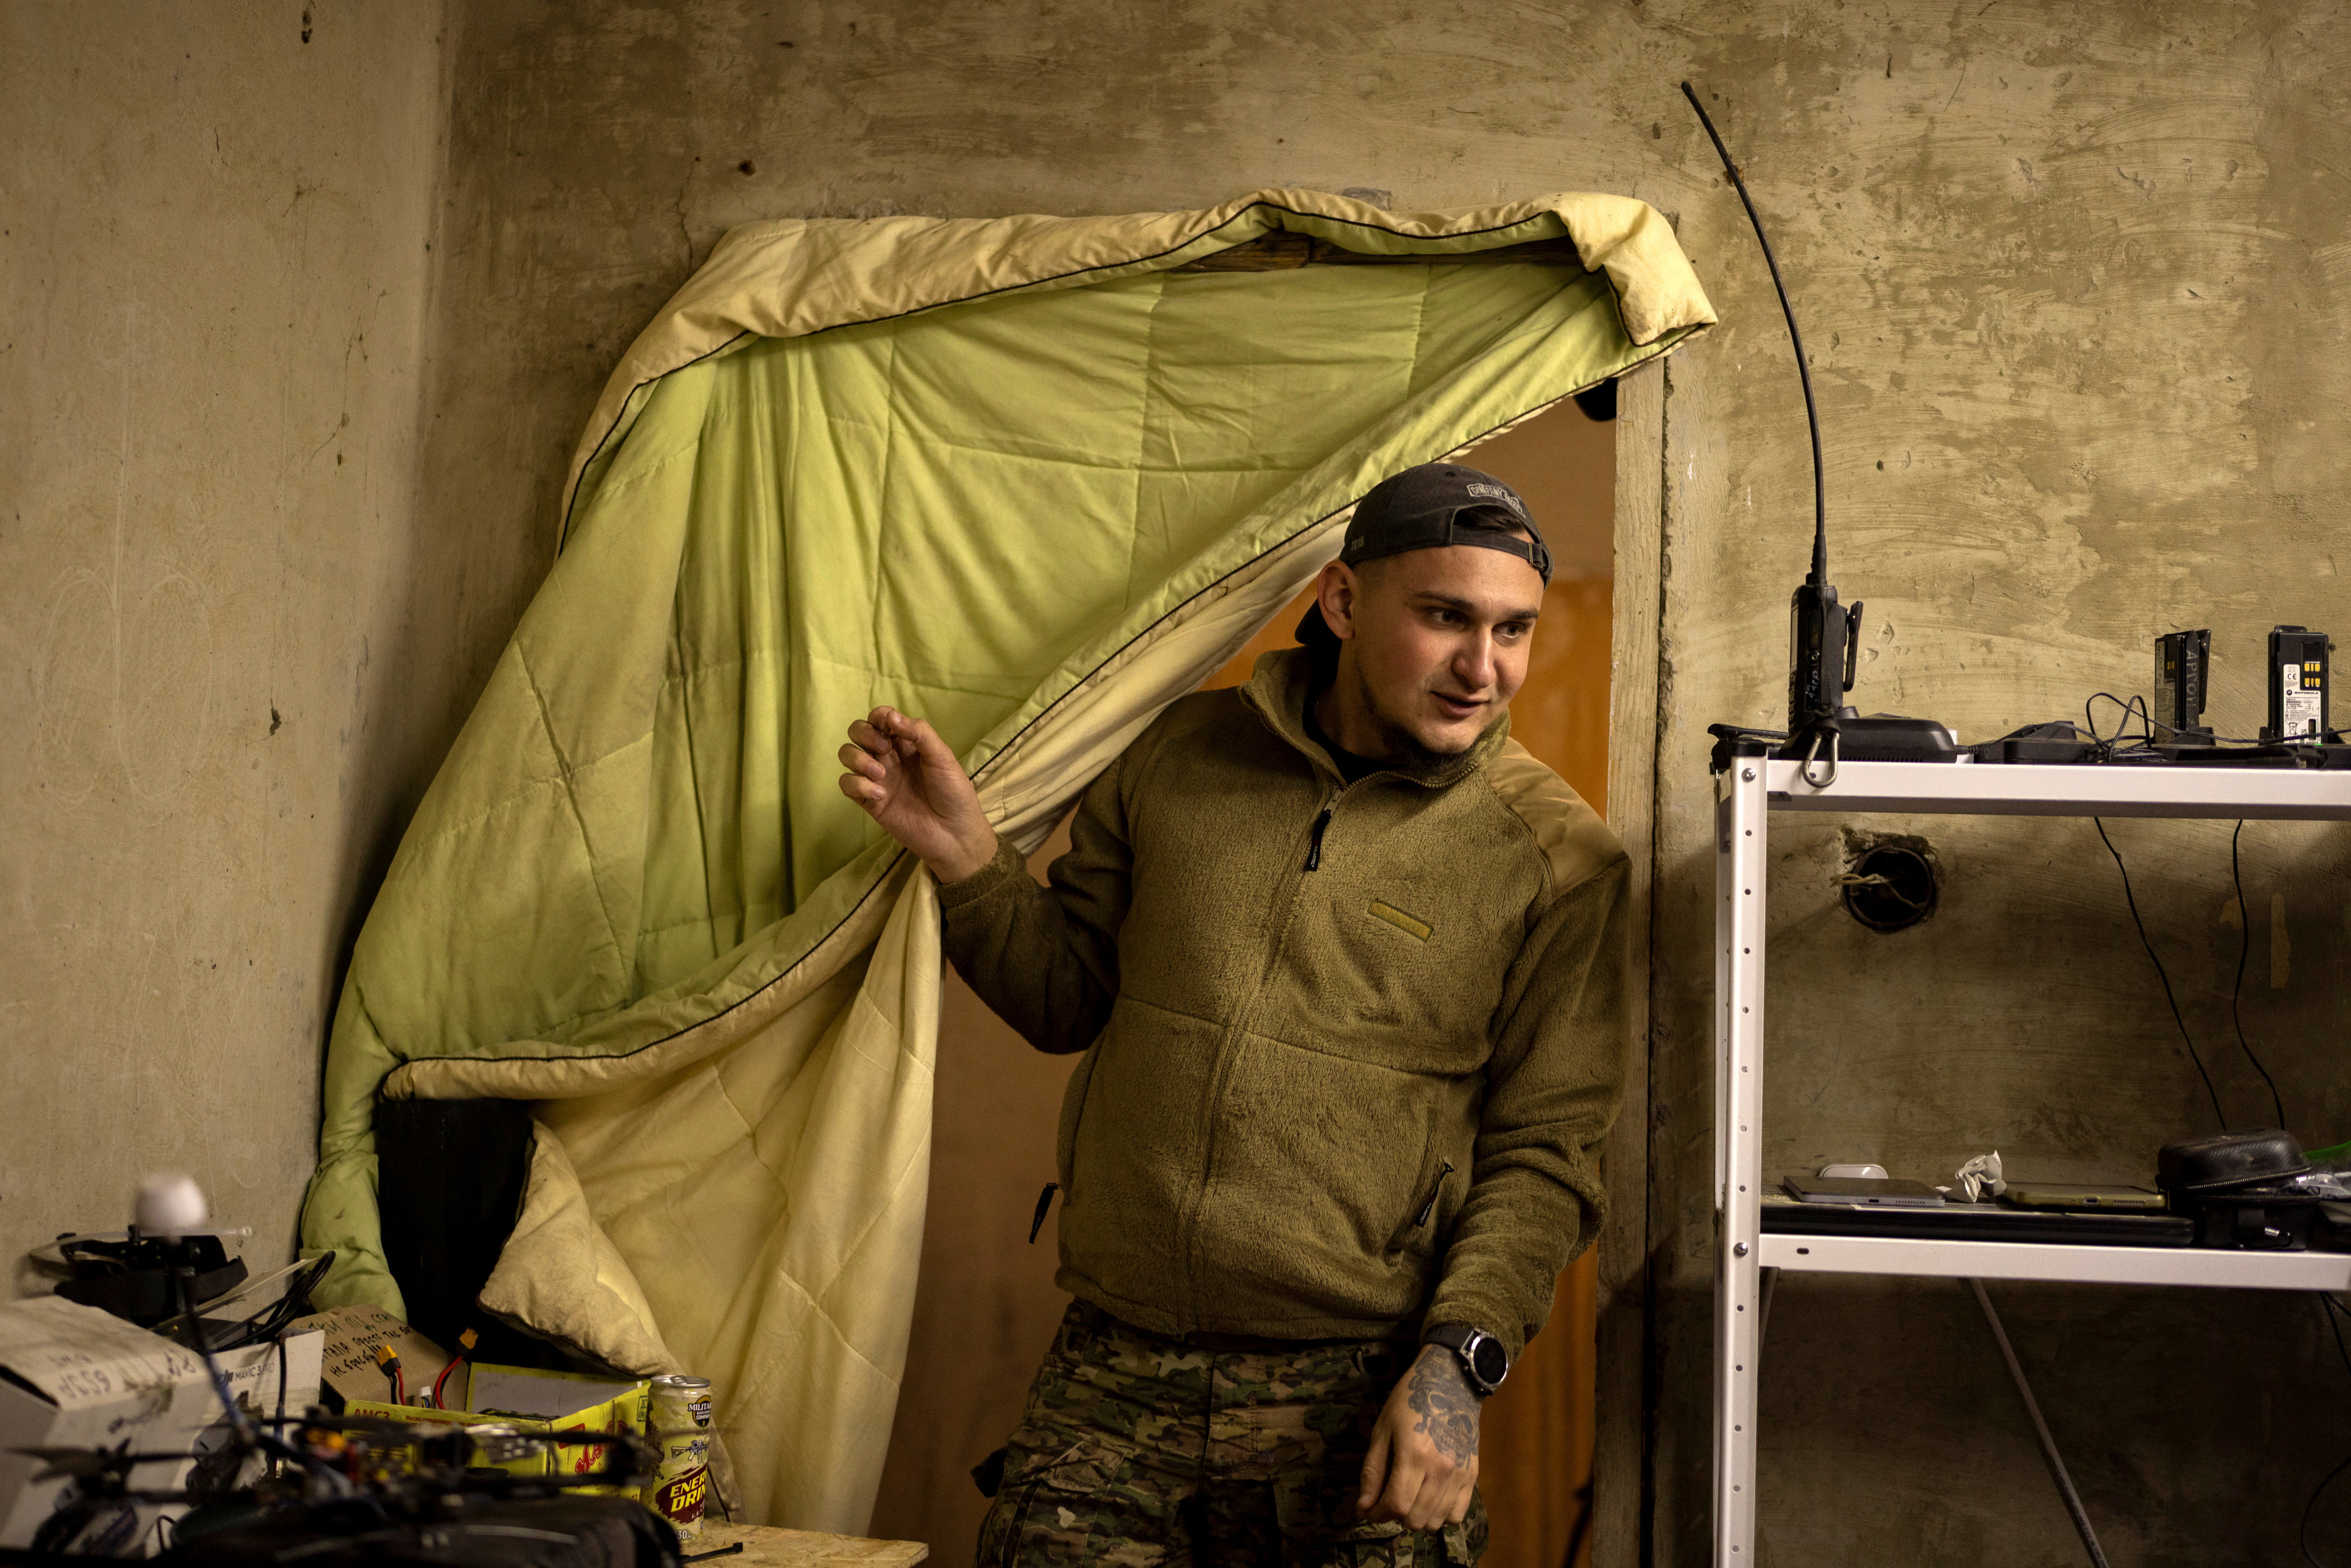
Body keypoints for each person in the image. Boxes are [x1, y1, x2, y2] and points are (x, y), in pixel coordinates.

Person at [837, 462, 1628, 1566]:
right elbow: (1066, 997)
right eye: (1446, 617)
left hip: (1360, 1400)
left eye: (1512, 629)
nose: (1481, 668)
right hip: (1112, 1375)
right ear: (1344, 603)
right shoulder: (1176, 754)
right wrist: (971, 864)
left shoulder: (1558, 860)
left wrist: (1457, 1367)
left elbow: (1546, 1156)